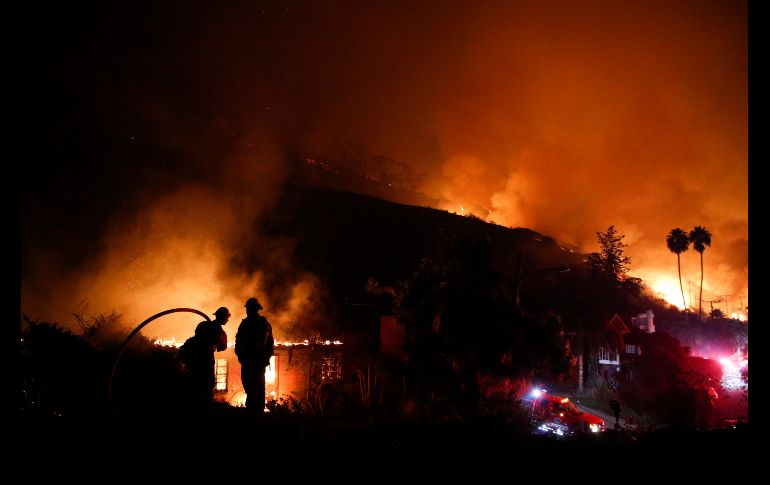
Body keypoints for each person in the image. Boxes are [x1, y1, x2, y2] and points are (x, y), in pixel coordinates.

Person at [235, 297, 274, 413]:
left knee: (257, 387)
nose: (247, 311)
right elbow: (238, 341)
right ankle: (253, 410)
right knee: (249, 385)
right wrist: (240, 355)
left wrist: (263, 358)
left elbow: (265, 343)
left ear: (255, 309)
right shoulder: (245, 323)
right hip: (248, 360)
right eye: (247, 308)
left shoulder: (262, 323)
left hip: (256, 362)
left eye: (249, 308)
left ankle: (256, 412)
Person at [185, 307, 230, 402]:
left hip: (195, 359)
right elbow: (222, 347)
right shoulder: (220, 332)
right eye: (227, 317)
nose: (228, 319)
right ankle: (204, 406)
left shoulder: (203, 325)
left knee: (195, 383)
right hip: (206, 360)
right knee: (207, 384)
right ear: (222, 317)